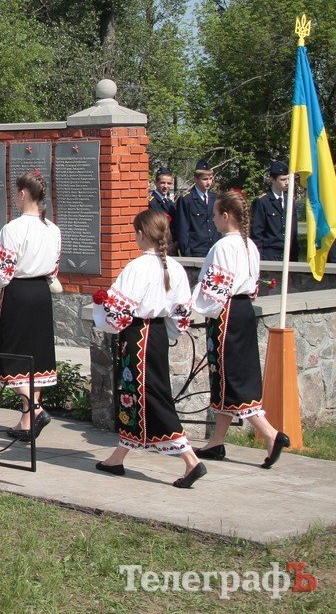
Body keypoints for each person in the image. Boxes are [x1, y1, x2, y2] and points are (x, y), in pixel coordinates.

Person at [94, 209, 206, 488]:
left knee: (150, 395)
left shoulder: (138, 266)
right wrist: (165, 329)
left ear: (141, 234)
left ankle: (191, 460)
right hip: (155, 334)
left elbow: (118, 313)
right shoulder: (175, 267)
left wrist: (101, 311)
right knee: (136, 396)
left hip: (137, 335)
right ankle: (117, 458)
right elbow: (181, 314)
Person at [189, 190, 291, 469]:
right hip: (243, 310)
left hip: (227, 313)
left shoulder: (224, 246)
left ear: (225, 216)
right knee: (228, 375)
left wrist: (196, 305)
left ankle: (270, 433)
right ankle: (216, 441)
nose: (213, 219)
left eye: (215, 214)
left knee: (230, 375)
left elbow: (215, 288)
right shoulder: (249, 245)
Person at [0, 170, 62, 440]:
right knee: (35, 358)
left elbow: (0, 272)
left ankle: (36, 410)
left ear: (24, 194)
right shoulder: (53, 229)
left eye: (16, 194)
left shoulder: (13, 228)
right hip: (41, 293)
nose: (15, 198)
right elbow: (54, 268)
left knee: (12, 356)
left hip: (19, 292)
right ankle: (27, 422)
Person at [250, 160, 296, 261]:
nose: (287, 183)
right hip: (269, 256)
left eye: (288, 179)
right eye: (283, 179)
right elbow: (256, 234)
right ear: (272, 180)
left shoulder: (290, 201)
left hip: (287, 255)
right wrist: (258, 259)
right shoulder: (262, 202)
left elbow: (293, 232)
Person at [173, 159, 220, 256]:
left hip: (214, 250)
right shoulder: (187, 199)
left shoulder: (215, 198)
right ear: (196, 179)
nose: (209, 182)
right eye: (205, 179)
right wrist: (187, 253)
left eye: (210, 178)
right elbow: (182, 229)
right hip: (196, 251)